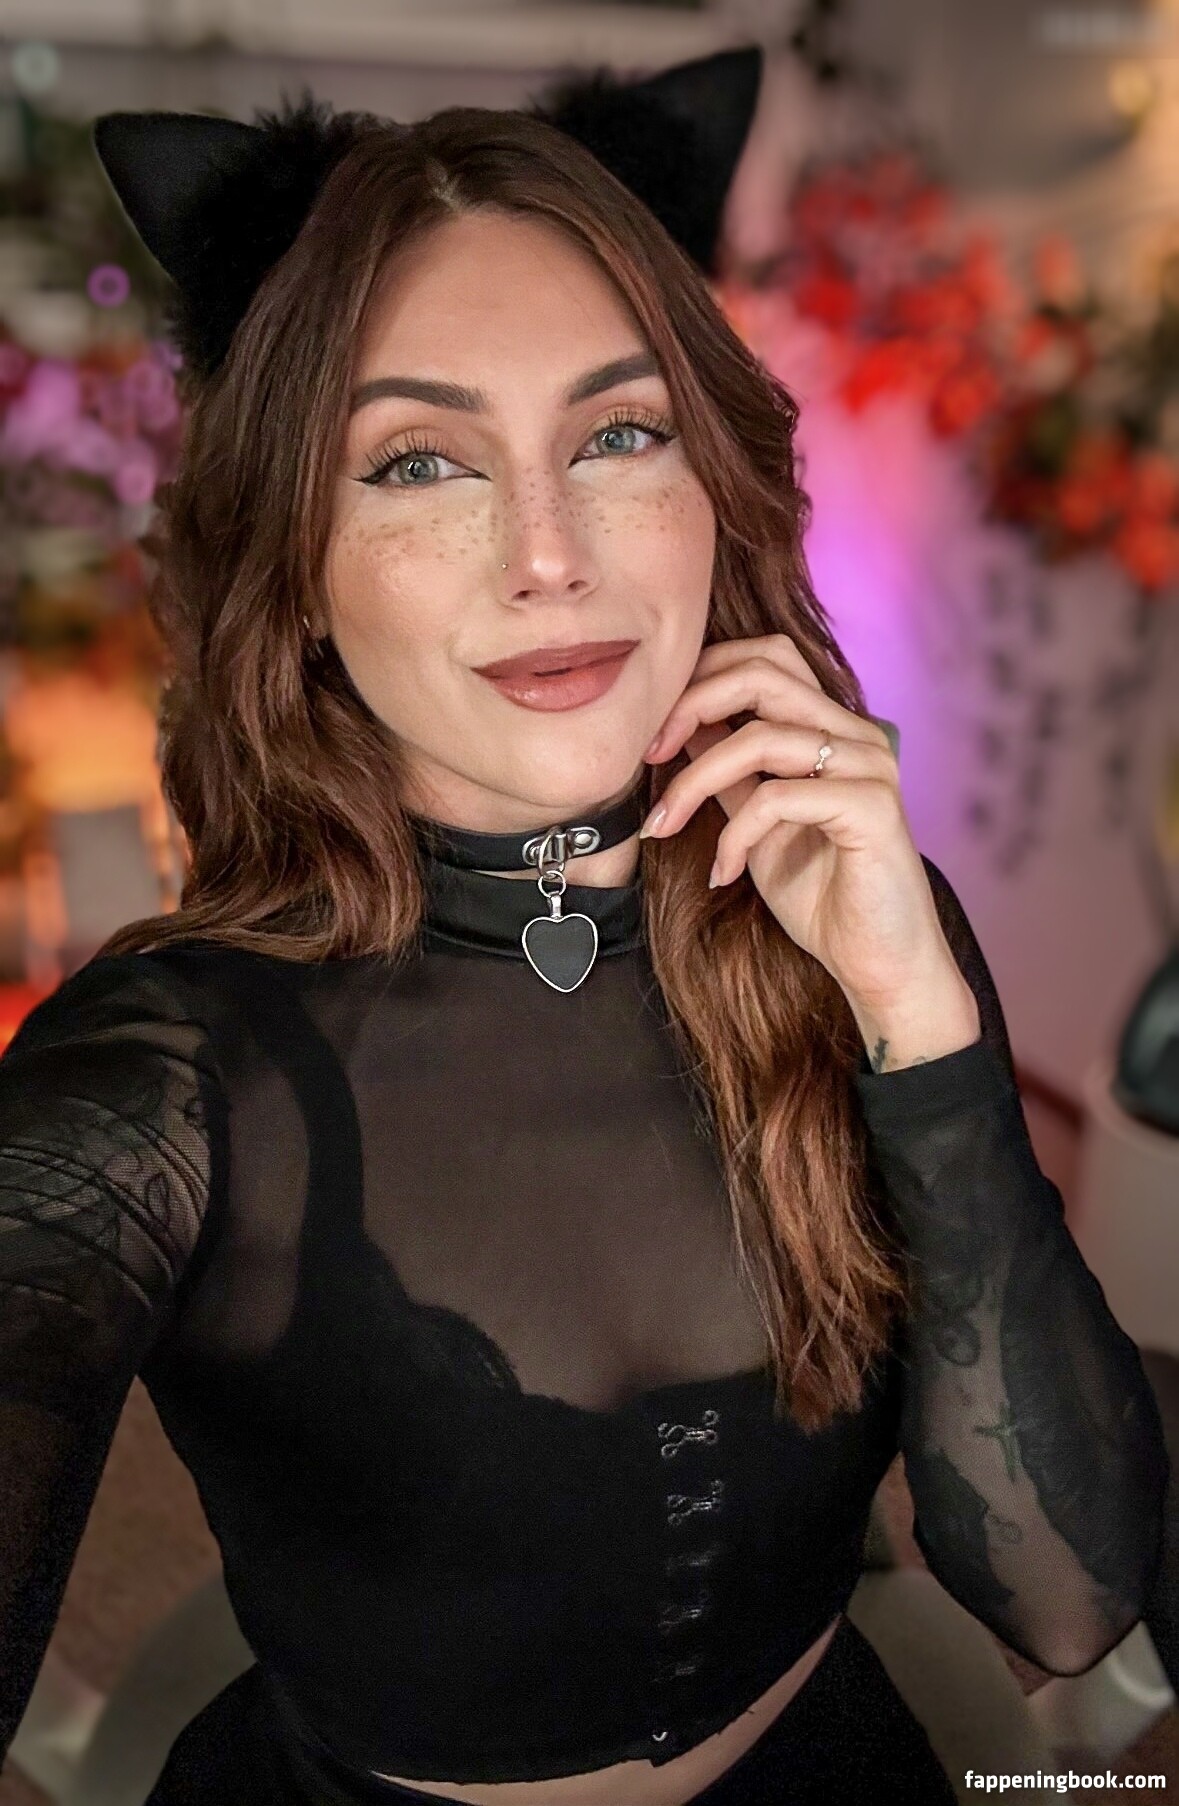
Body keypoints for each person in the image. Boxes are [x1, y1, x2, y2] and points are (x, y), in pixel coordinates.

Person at [0, 46, 1169, 1806]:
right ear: (292, 562)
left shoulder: (857, 923)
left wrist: (922, 1021)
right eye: (419, 462)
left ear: (715, 489)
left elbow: (1071, 1604)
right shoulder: (163, 1077)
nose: (548, 553)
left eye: (619, 433)